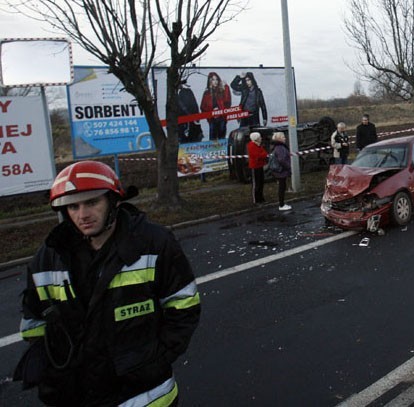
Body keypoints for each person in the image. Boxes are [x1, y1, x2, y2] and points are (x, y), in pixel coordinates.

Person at [13, 161, 201, 406]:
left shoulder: (154, 243)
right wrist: (51, 365)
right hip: (76, 394)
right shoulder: (48, 256)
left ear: (113, 202)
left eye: (92, 202)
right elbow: (33, 320)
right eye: (73, 206)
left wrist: (154, 360)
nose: (83, 215)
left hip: (144, 396)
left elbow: (184, 306)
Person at [200, 71, 232, 140]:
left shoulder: (221, 91)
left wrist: (226, 87)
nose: (215, 81)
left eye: (217, 79)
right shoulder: (207, 93)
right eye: (213, 79)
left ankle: (222, 150)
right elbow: (203, 107)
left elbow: (228, 102)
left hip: (222, 118)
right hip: (212, 119)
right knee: (212, 140)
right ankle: (212, 151)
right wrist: (211, 112)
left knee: (221, 139)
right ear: (210, 81)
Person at [270, 132, 292, 211]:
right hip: (281, 171)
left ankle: (282, 204)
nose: (285, 138)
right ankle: (281, 205)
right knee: (281, 187)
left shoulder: (276, 146)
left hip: (279, 170)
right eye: (283, 137)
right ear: (278, 138)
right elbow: (282, 159)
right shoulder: (280, 147)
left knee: (282, 187)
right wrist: (288, 167)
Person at [247, 132, 268, 204]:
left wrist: (262, 154)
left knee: (261, 182)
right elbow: (258, 155)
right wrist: (262, 154)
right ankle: (256, 199)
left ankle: (261, 198)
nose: (261, 138)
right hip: (255, 166)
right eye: (260, 137)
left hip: (260, 165)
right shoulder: (251, 146)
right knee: (256, 183)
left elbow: (264, 153)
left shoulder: (258, 145)